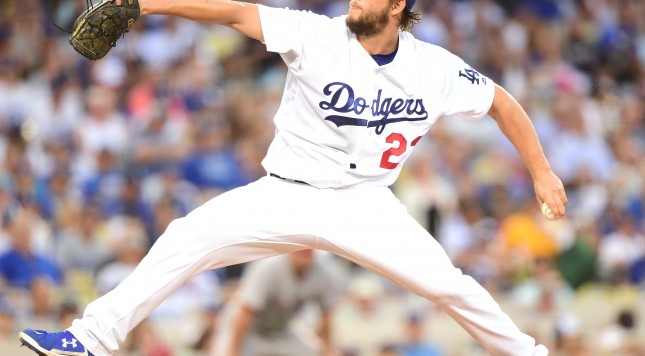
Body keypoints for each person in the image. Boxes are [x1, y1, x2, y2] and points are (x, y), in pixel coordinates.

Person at [18, 0, 568, 355]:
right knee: (186, 236)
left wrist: (542, 172)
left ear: (398, 6)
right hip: (285, 193)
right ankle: (88, 340)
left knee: (451, 286)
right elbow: (235, 13)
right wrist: (144, 2)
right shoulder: (316, 34)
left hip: (365, 203)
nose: (355, 0)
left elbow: (501, 102)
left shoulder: (435, 67)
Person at [211, 249, 336, 355]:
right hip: (247, 329)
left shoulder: (321, 271)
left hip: (280, 330)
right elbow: (245, 311)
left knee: (314, 352)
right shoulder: (269, 266)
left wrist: (328, 350)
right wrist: (232, 351)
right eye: (302, 245)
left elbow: (326, 314)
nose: (305, 250)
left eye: (310, 245)